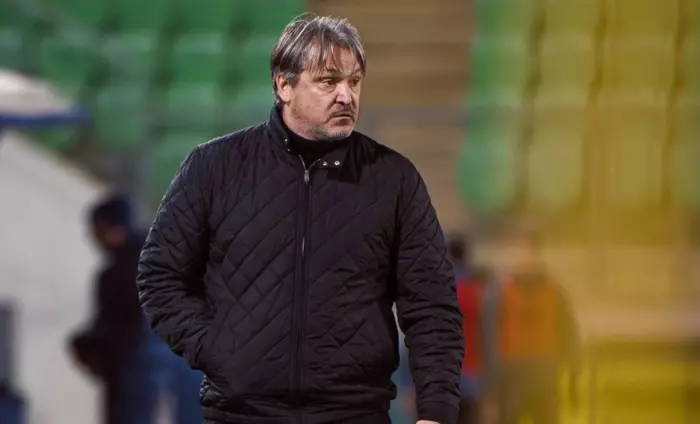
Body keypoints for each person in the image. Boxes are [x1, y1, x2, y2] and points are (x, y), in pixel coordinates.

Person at [136, 13, 464, 424]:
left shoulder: (394, 179)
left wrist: (437, 411)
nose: (346, 95)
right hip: (241, 416)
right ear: (283, 86)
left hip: (354, 415)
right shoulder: (213, 168)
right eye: (328, 81)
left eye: (354, 81)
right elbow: (159, 276)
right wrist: (217, 349)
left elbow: (433, 306)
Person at [68, 194, 203, 424]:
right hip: (155, 371)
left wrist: (90, 346)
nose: (92, 236)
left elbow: (126, 328)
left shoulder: (125, 270)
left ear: (111, 229)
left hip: (133, 372)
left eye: (96, 229)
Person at [490, 226, 581, 424]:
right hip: (513, 371)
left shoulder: (554, 292)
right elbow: (491, 336)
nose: (524, 258)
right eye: (520, 251)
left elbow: (569, 333)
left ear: (538, 254)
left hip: (544, 370)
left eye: (529, 251)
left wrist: (573, 377)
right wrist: (492, 380)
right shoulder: (502, 292)